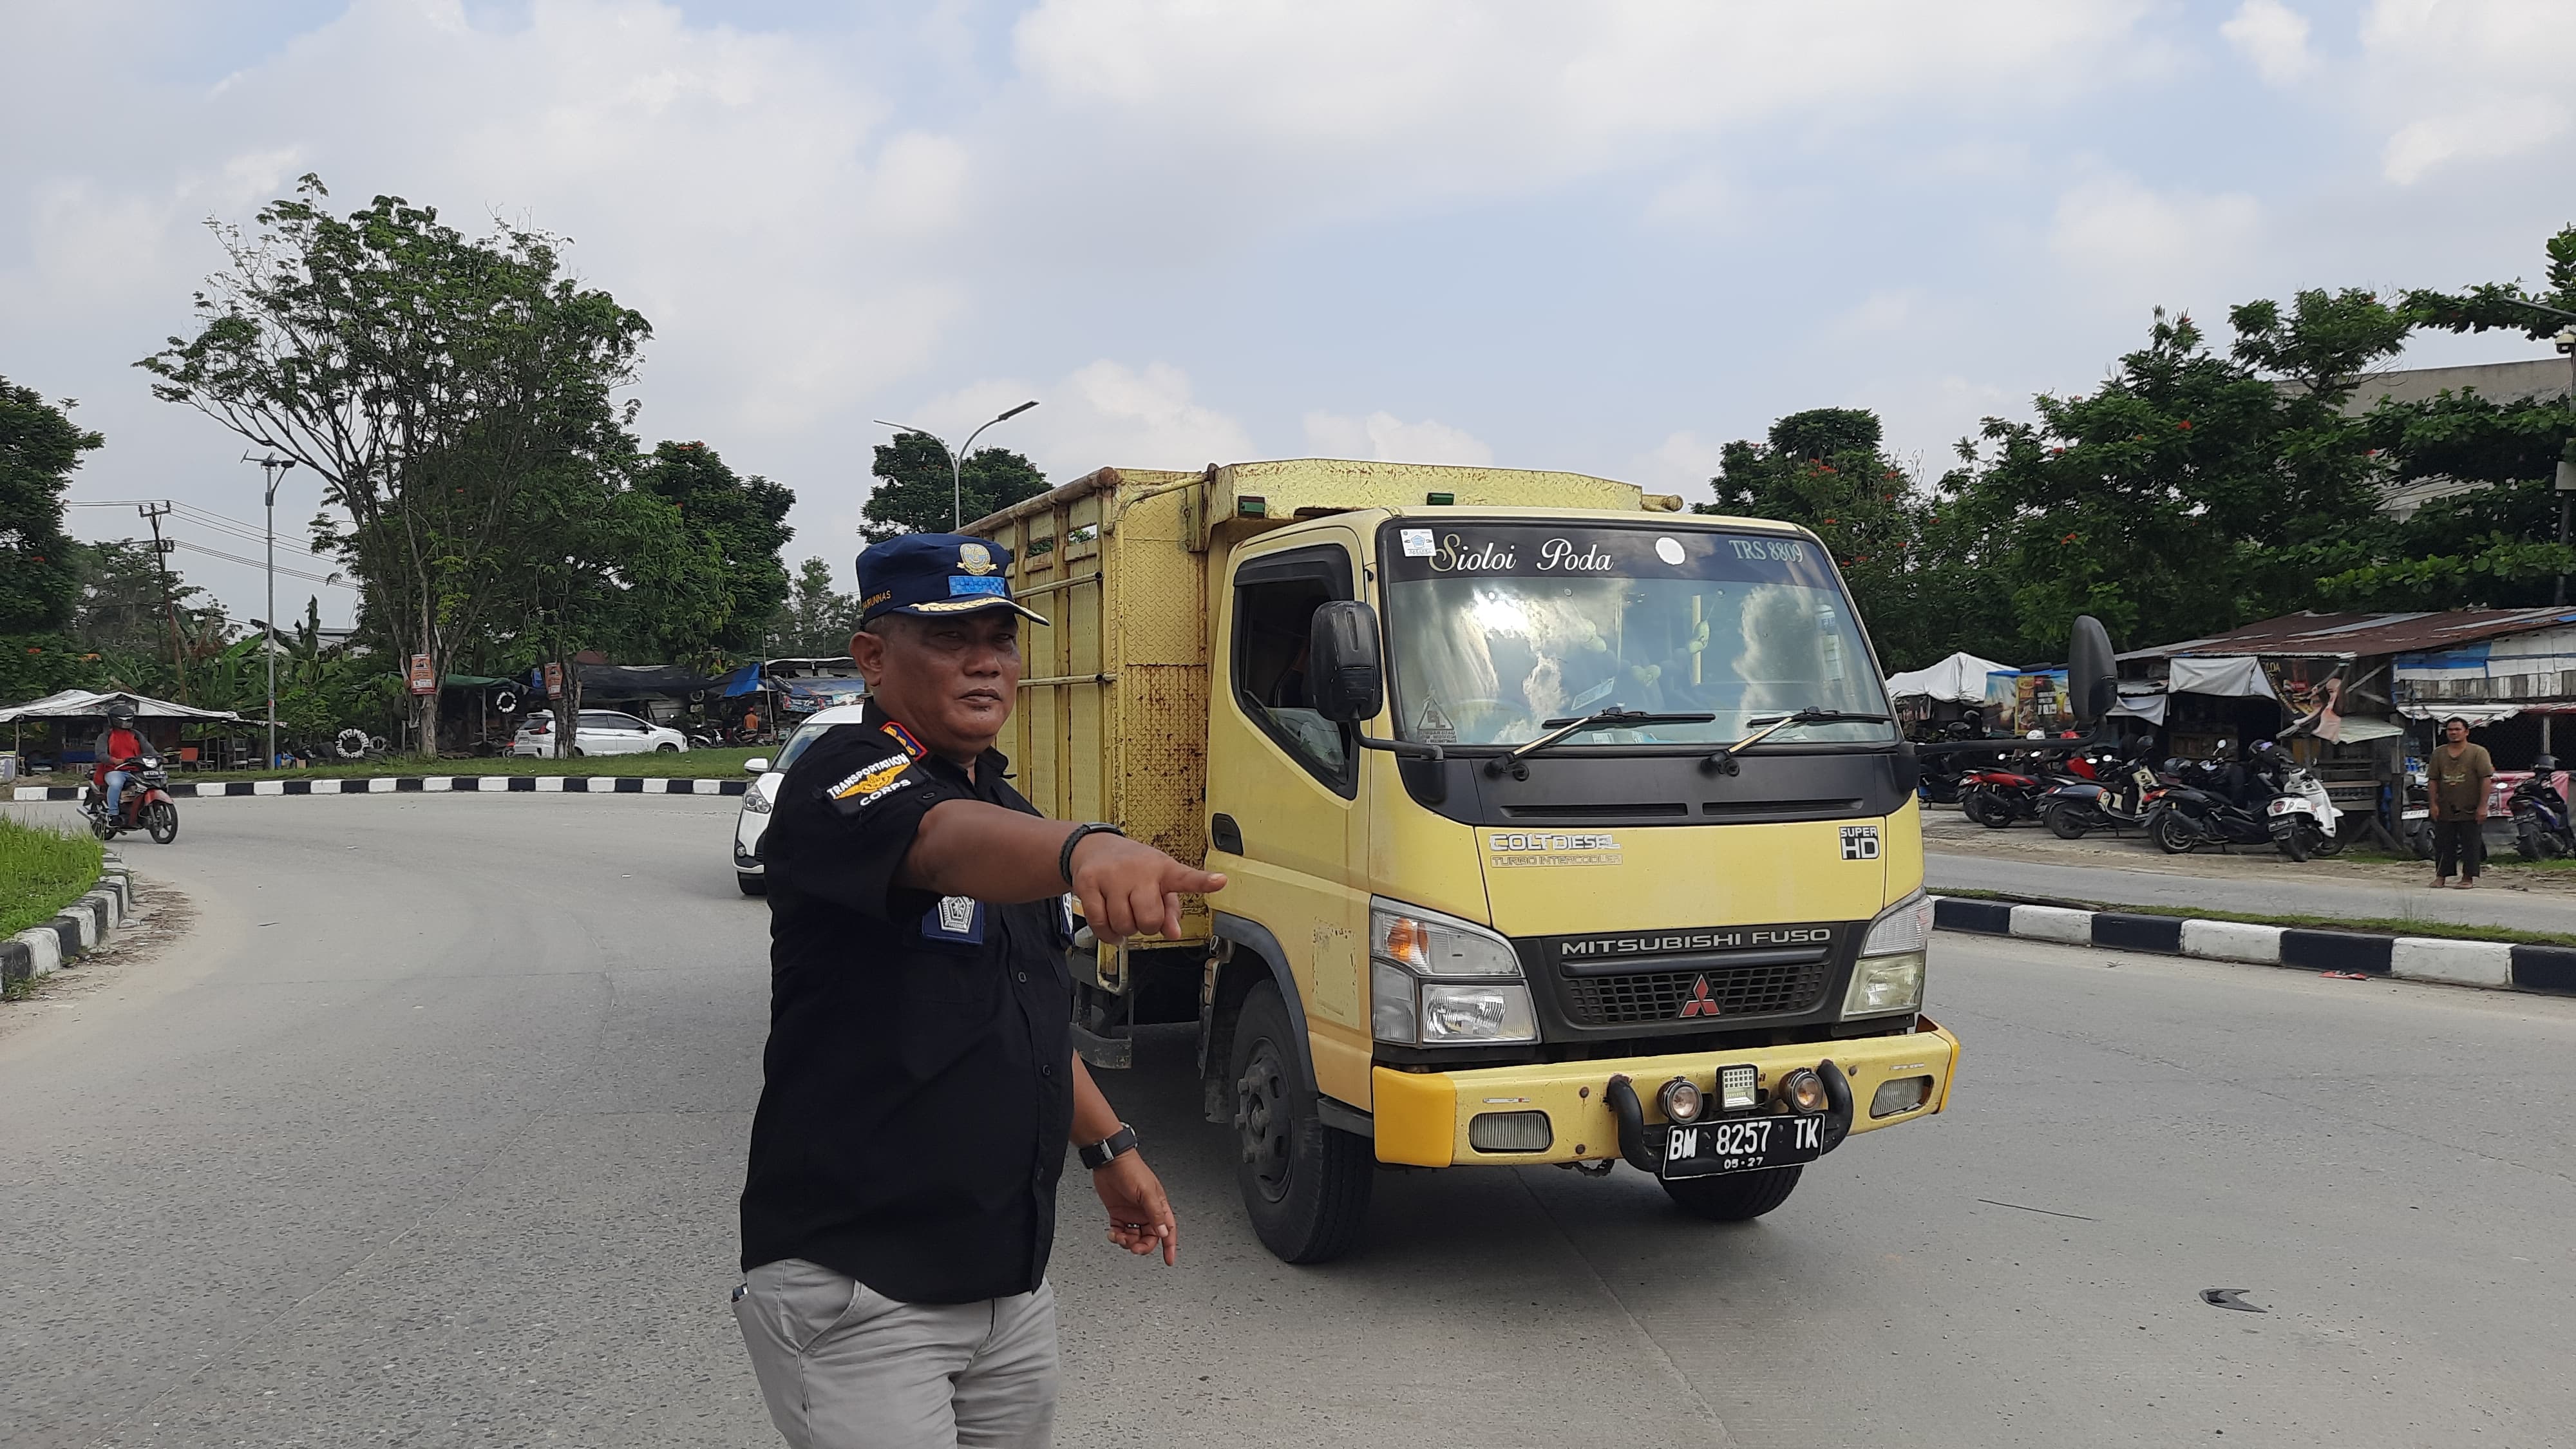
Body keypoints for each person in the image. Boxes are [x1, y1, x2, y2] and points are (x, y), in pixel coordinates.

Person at [735, 533, 1224, 1449]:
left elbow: (1022, 1007)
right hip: (860, 1286)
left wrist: (1110, 1144)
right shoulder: (840, 774)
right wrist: (1085, 849)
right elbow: (935, 839)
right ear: (874, 656)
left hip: (1007, 1284)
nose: (987, 661)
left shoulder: (1010, 812)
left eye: (1001, 637)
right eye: (953, 636)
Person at [2427, 715, 2495, 888]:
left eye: (2457, 729)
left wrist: (2482, 806)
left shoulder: (2478, 752)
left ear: (2466, 732)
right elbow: (2433, 780)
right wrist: (2433, 804)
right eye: (2450, 730)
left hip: (2470, 807)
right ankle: (2441, 876)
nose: (2454, 733)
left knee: (2470, 843)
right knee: (2443, 843)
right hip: (2445, 807)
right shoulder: (2439, 753)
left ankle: (2468, 878)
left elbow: (2486, 779)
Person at [90, 701, 147, 825]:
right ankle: (113, 814)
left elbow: (148, 749)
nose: (127, 723)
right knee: (116, 784)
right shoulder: (105, 736)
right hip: (114, 770)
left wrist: (159, 757)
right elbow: (101, 754)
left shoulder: (136, 735)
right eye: (124, 720)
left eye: (129, 720)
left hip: (136, 770)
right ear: (114, 720)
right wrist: (114, 760)